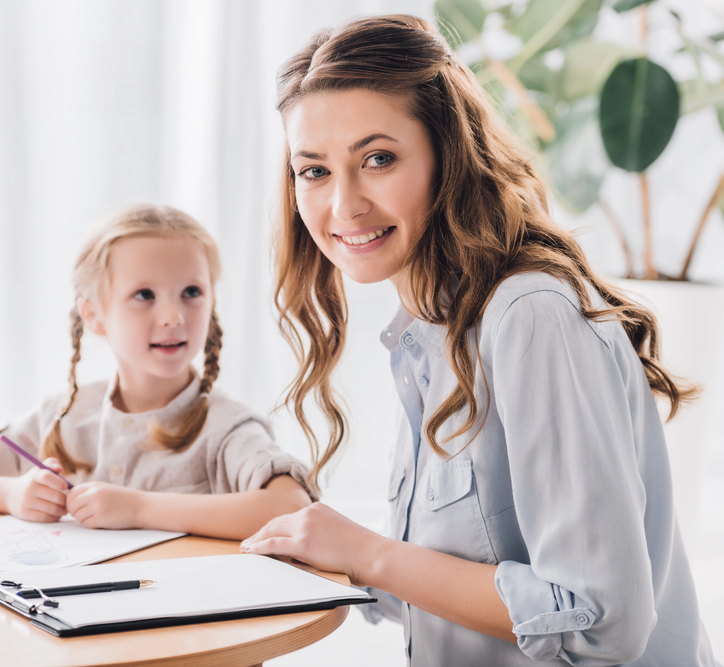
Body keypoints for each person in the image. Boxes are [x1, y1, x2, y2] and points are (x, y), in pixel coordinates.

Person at [239, 14, 719, 667]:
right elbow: (470, 562)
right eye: (314, 170)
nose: (343, 205)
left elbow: (601, 620)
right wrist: (326, 554)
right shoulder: (424, 331)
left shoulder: (528, 316)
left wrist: (366, 552)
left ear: (447, 154)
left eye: (377, 158)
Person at [0, 204, 314, 540]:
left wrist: (139, 508)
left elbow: (291, 507)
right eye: (144, 295)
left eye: (191, 292)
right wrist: (11, 493)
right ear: (94, 316)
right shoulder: (65, 418)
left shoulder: (225, 427)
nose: (173, 316)